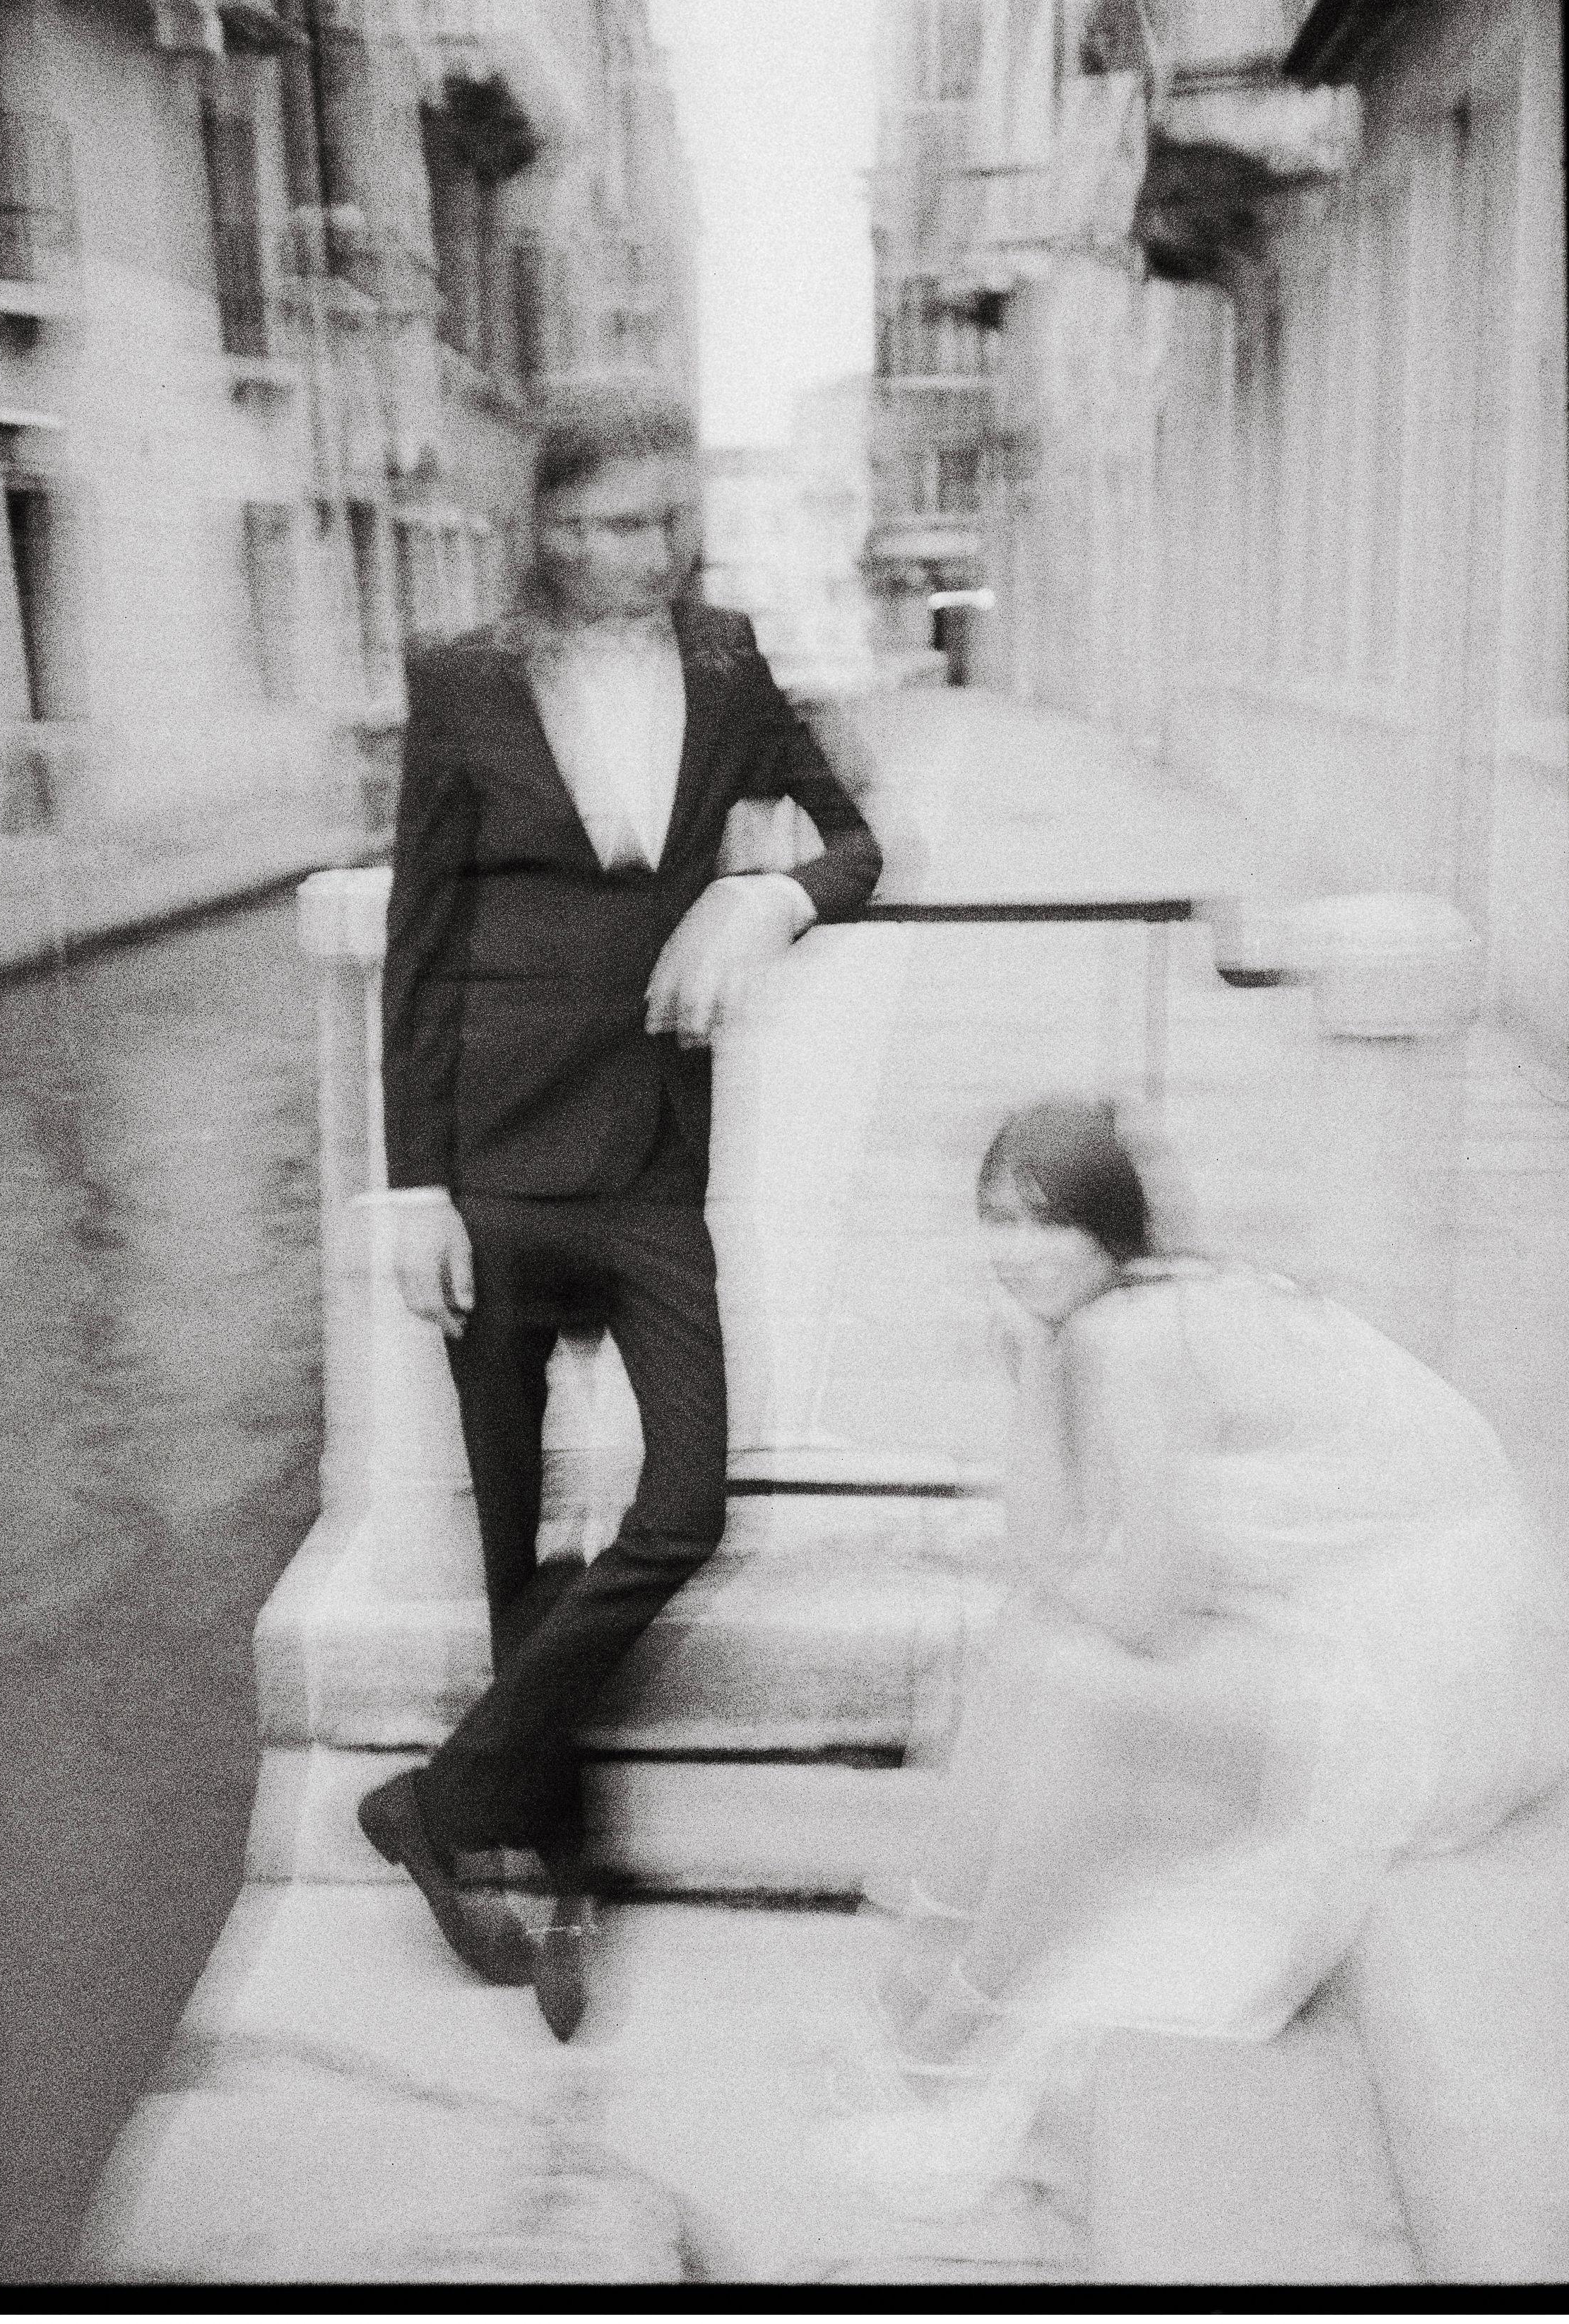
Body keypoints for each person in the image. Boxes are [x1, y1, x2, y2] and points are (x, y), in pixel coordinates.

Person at [357, 384, 883, 2041]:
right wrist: (412, 1185)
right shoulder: (460, 678)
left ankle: (436, 1799)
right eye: (598, 525)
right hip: (493, 1169)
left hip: (654, 1157)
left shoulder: (725, 659)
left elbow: (861, 840)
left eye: (660, 518)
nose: (636, 552)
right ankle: (554, 1862)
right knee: (513, 1536)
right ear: (544, 527)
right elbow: (416, 949)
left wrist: (767, 895)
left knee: (684, 1503)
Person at [827, 1098, 1569, 2210]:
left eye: (1049, 1221)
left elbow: (1138, 1607)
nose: (1018, 1251)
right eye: (999, 1219)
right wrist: (1034, 1371)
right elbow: (1059, 1548)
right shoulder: (1108, 1320)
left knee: (1074, 1677)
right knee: (1037, 1640)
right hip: (1354, 1615)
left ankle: (956, 2024)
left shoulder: (1136, 1340)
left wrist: (1060, 1569)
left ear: (1110, 1231)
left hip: (1433, 1662)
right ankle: (930, 1960)